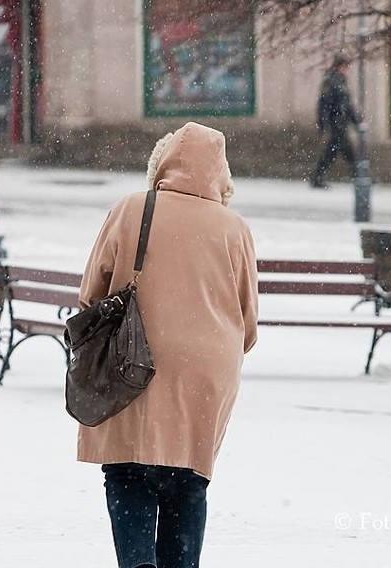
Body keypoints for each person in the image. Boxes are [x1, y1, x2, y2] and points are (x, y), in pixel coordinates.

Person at [77, 121, 259, 568]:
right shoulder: (234, 229)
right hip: (204, 378)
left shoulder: (132, 210)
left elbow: (90, 296)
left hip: (133, 367)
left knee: (129, 471)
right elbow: (248, 325)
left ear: (164, 164)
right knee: (187, 480)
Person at [311, 53, 363, 189]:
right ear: (339, 66)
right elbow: (324, 105)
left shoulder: (341, 81)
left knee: (336, 151)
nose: (347, 69)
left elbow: (347, 105)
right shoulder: (330, 81)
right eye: (345, 66)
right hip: (335, 123)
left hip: (341, 122)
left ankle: (358, 175)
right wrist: (323, 124)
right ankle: (359, 176)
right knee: (340, 151)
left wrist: (356, 121)